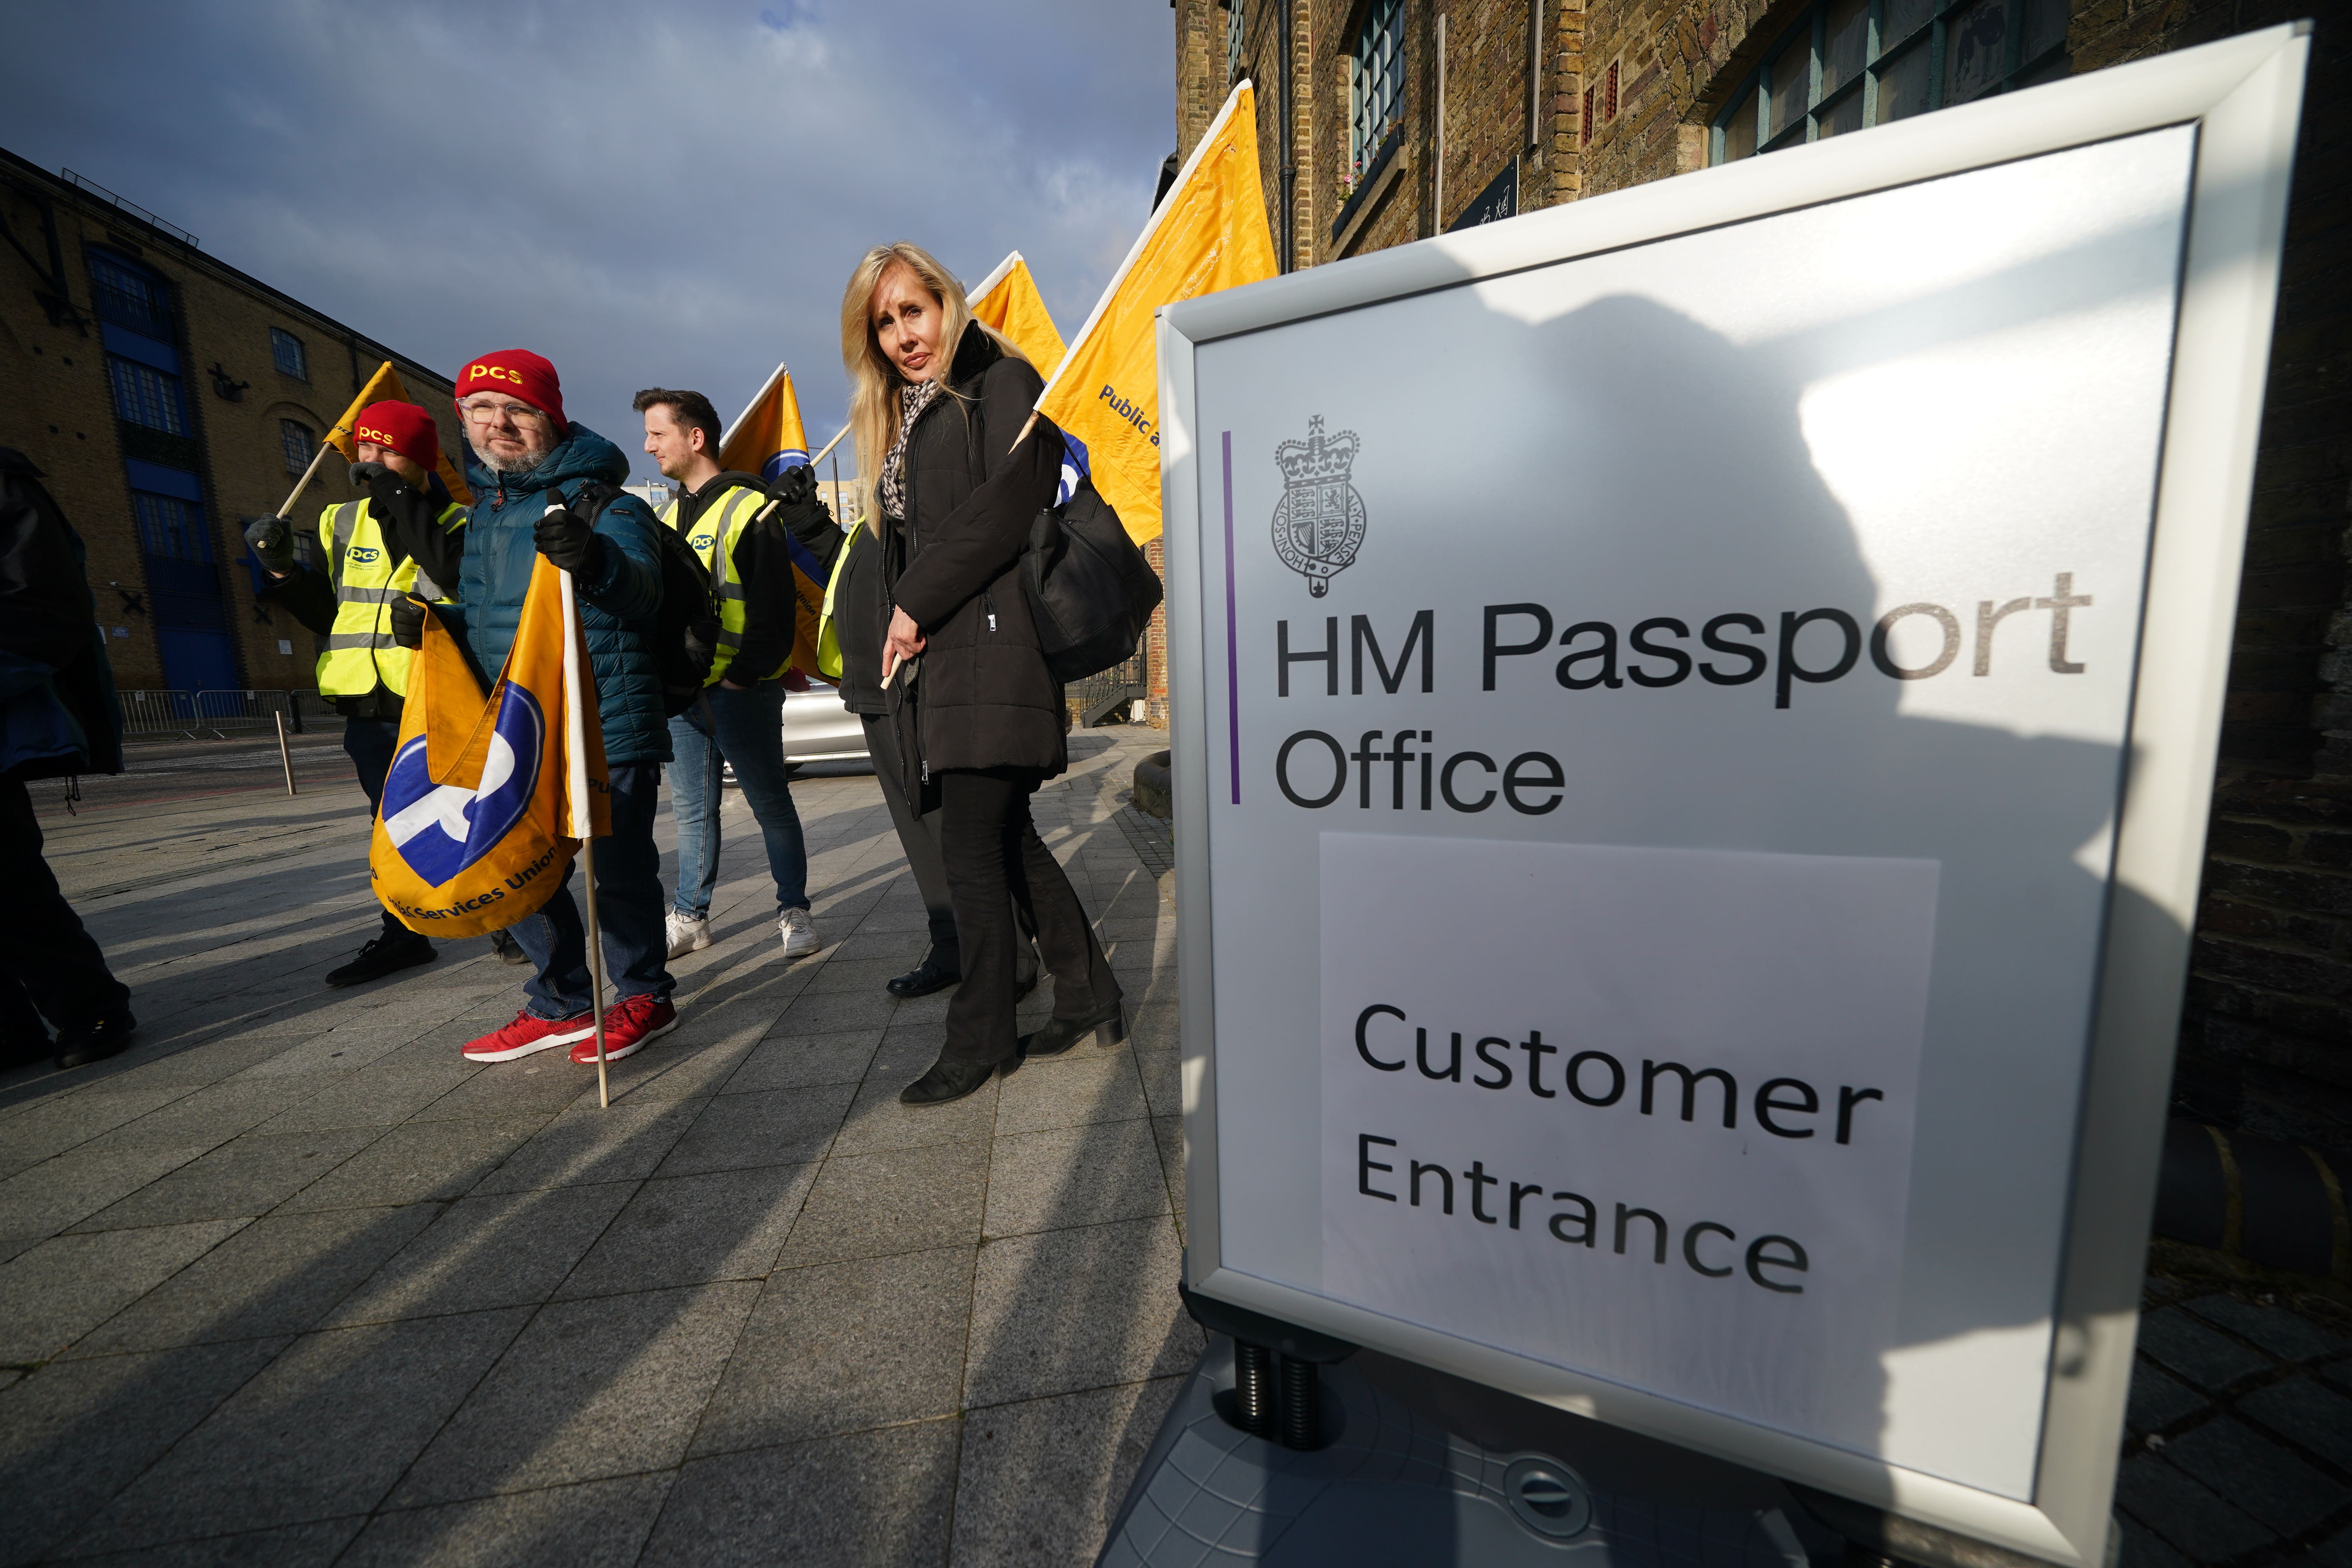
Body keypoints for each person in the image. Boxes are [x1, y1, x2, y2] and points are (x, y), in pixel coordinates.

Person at [839, 242, 1123, 1105]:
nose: (901, 335)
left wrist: (913, 601)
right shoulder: (909, 411)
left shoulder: (999, 382)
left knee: (970, 848)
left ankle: (981, 1036)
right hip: (946, 654)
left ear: (947, 301)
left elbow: (1006, 505)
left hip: (992, 642)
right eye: (883, 323)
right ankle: (1087, 992)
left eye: (912, 311)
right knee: (1005, 839)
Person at [426, 350, 680, 1065]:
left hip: (603, 721)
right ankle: (563, 999)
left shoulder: (606, 503)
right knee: (513, 863)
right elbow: (487, 619)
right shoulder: (481, 518)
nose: (499, 423)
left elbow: (642, 596)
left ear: (551, 420)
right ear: (465, 422)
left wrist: (595, 560)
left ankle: (643, 996)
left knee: (618, 873)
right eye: (483, 409)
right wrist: (436, 628)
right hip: (517, 729)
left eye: (520, 410)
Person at [243, 402, 525, 984]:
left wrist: (398, 497)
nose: (368, 462)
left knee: (469, 812)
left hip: (437, 693)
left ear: (420, 461)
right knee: (387, 823)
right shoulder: (338, 522)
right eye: (363, 451)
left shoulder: (462, 522)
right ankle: (404, 934)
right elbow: (332, 612)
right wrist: (282, 574)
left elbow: (452, 578)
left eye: (385, 451)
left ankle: (502, 915)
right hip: (366, 702)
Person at [792, 474, 1037, 1003]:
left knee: (953, 828)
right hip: (874, 684)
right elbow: (861, 571)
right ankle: (955, 944)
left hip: (910, 681)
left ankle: (1010, 956)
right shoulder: (889, 492)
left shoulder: (918, 482)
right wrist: (810, 524)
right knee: (918, 827)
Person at [633, 388, 819, 960]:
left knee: (770, 804)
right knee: (692, 812)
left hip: (741, 692)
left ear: (695, 437)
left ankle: (794, 912)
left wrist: (742, 676)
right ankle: (691, 917)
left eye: (658, 434)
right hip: (687, 696)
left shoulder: (751, 505)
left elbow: (773, 604)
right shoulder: (664, 516)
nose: (648, 446)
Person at [0, 447, 136, 1069]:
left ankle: (89, 1007)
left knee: (10, 884)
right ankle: (11, 1031)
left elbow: (46, 607)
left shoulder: (8, 488)